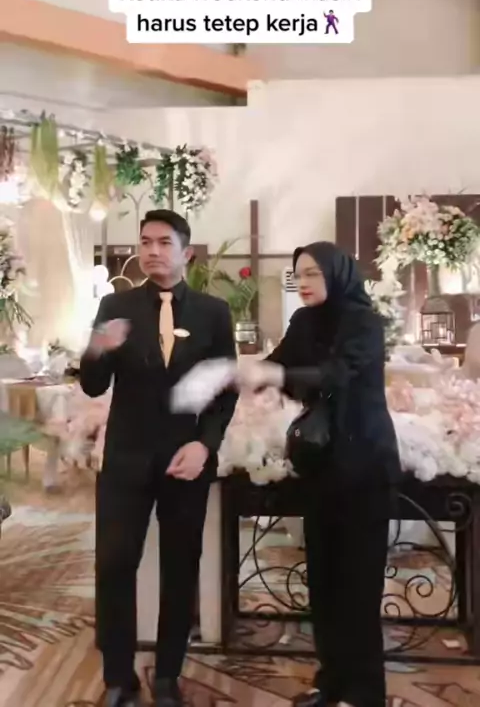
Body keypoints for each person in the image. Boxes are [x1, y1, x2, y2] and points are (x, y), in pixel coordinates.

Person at [80, 209, 237, 707]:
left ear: (186, 252)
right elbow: (93, 385)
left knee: (180, 567)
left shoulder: (214, 312)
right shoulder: (116, 305)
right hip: (125, 458)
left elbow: (224, 392)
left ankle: (168, 674)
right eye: (145, 242)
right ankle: (118, 677)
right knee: (114, 564)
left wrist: (205, 444)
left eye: (164, 242)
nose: (151, 251)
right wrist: (98, 349)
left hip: (186, 459)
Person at [237, 242, 401, 707]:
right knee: (324, 583)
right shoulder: (304, 322)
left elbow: (335, 374)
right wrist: (242, 371)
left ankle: (364, 693)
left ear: (337, 274)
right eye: (298, 275)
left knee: (358, 586)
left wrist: (278, 377)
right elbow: (279, 364)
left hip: (363, 464)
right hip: (321, 464)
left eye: (313, 273)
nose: (303, 283)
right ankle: (330, 682)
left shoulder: (365, 323)